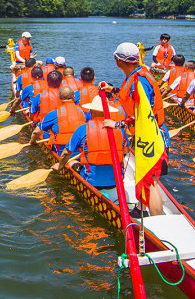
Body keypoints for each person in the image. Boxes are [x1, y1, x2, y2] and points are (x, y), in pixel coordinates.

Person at [100, 42, 167, 216]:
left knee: (151, 182)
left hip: (151, 137)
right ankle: (141, 208)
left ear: (118, 61)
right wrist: (113, 89)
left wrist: (117, 125)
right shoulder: (139, 73)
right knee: (148, 179)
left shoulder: (140, 81)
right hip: (148, 134)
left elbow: (145, 116)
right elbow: (133, 100)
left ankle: (158, 225)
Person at [53, 95, 126, 191]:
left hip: (91, 182)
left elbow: (66, 153)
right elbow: (126, 151)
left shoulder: (83, 129)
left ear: (91, 112)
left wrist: (60, 166)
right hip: (116, 181)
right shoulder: (120, 130)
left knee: (71, 161)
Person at [30, 86, 90, 154]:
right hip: (81, 151)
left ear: (59, 98)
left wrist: (33, 141)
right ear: (74, 98)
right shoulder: (83, 113)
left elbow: (36, 132)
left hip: (61, 152)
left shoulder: (53, 114)